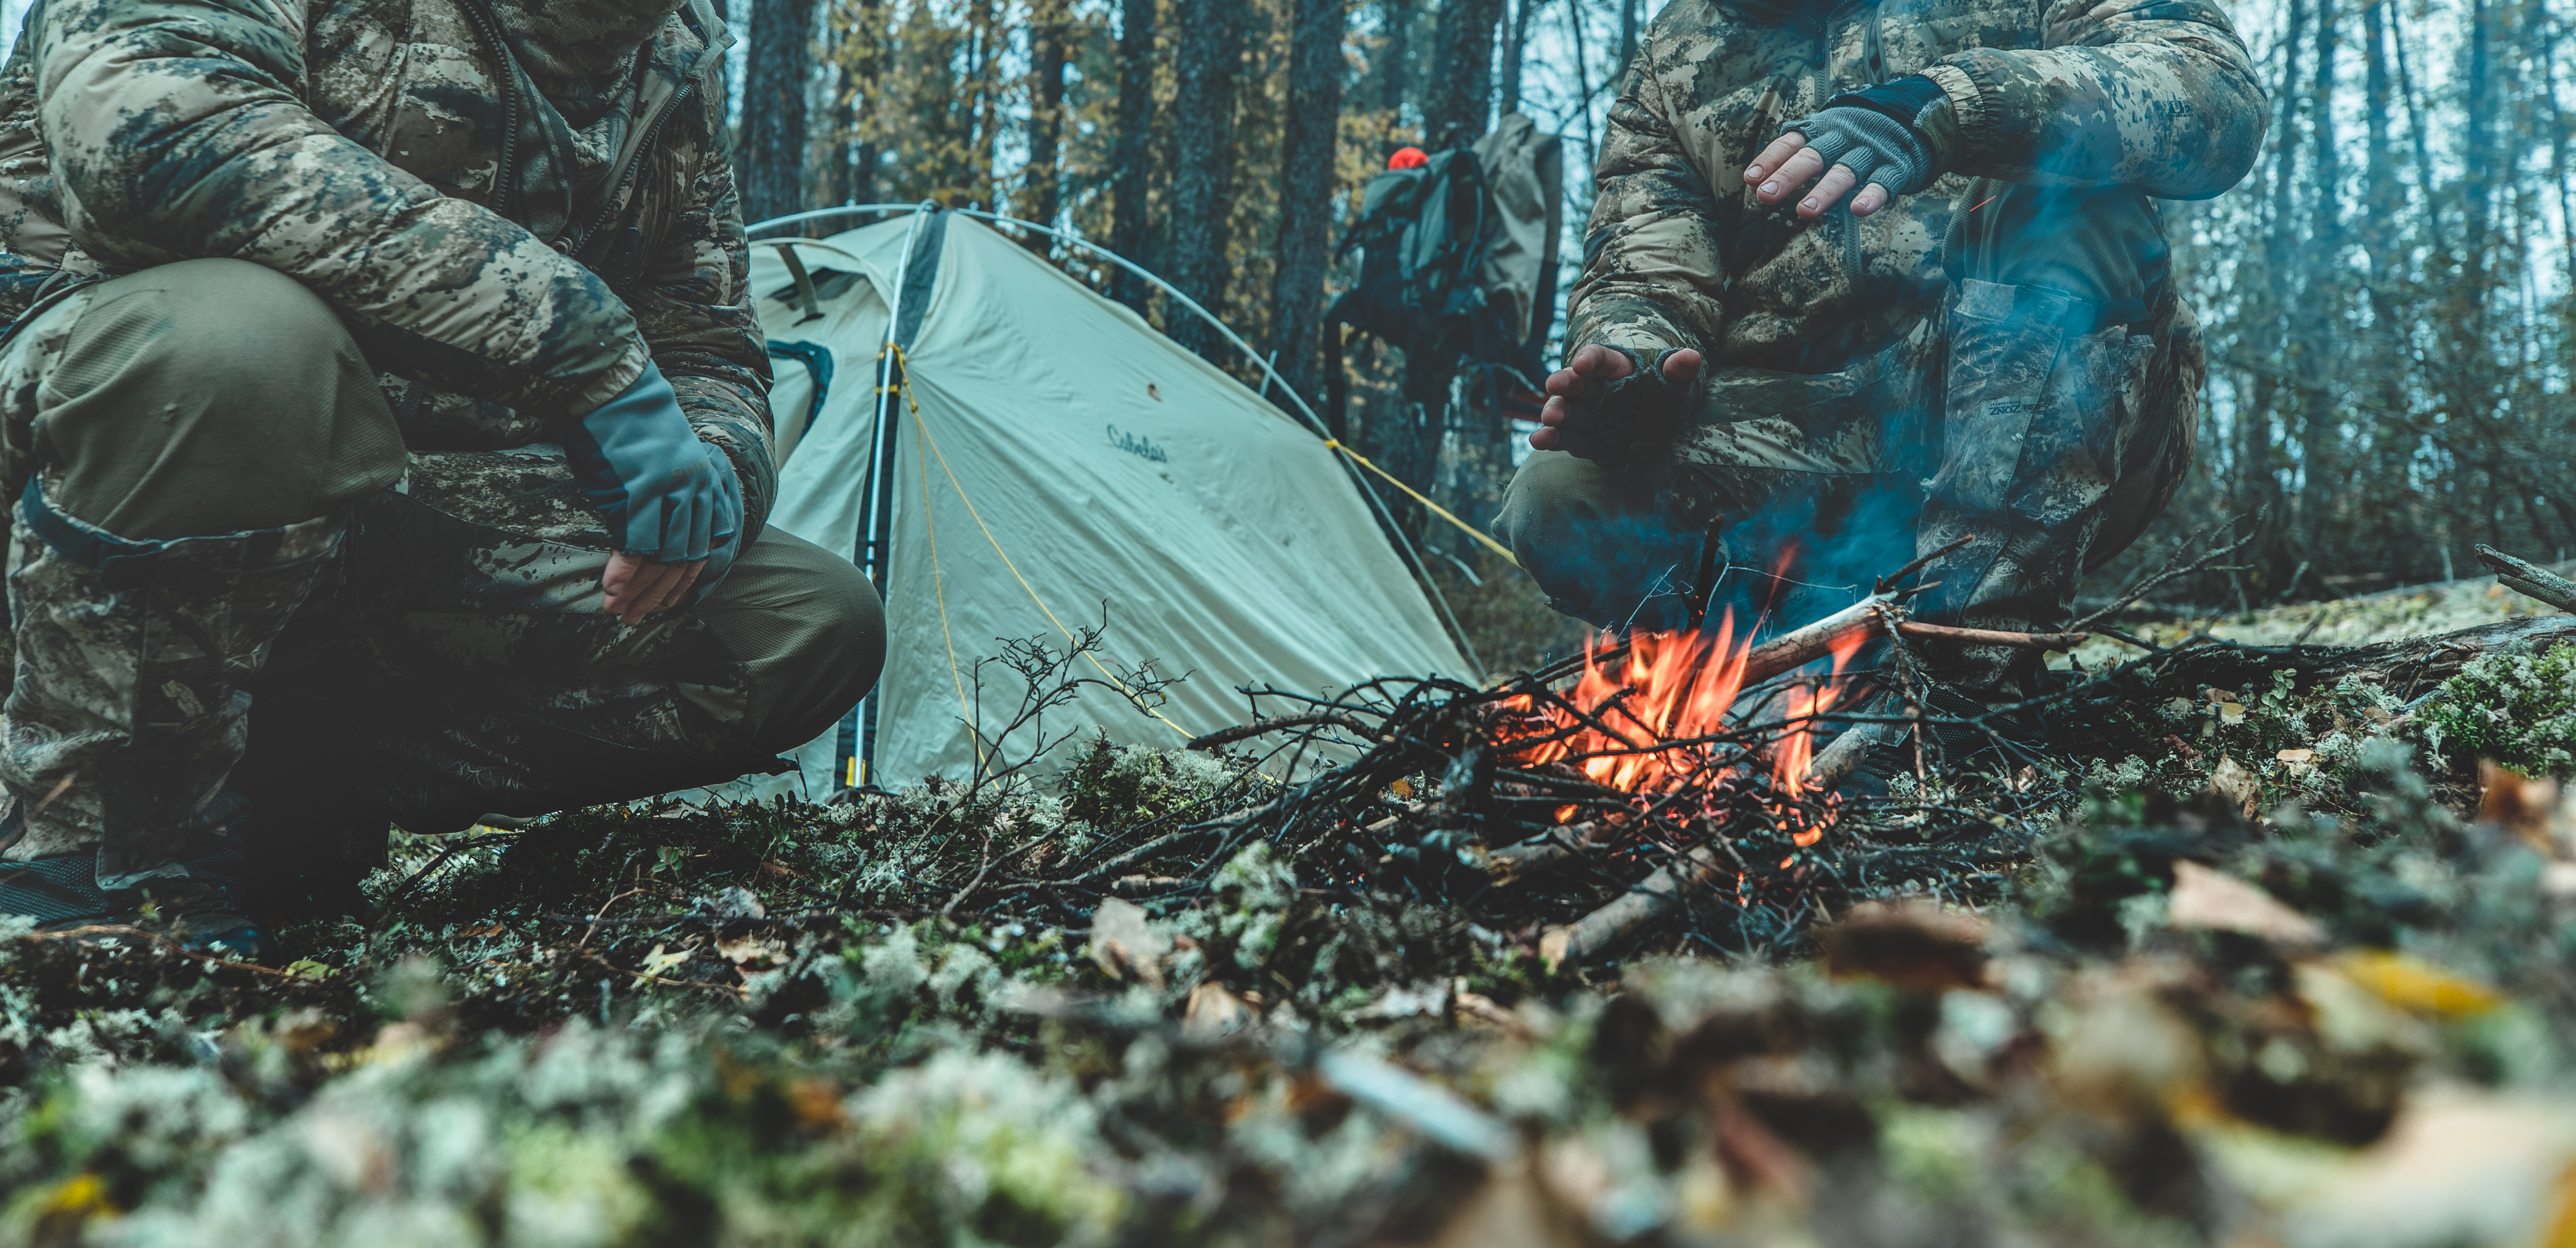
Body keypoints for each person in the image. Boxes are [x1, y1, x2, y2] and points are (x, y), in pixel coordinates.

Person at [0, 0, 885, 956]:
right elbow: (154, 142)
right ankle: (89, 852)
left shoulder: (669, 46)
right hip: (90, 447)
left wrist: (711, 474)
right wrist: (577, 342)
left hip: (400, 506)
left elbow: (706, 338)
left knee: (802, 622)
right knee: (236, 346)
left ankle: (270, 794)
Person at [1491, 0, 2264, 730]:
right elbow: (1643, 268)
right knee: (1560, 498)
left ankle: (1971, 675)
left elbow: (2211, 91)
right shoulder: (1679, 49)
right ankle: (1777, 678)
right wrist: (1636, 364)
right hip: (1796, 456)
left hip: (2035, 410)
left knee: (2071, 209)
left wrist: (1951, 107)